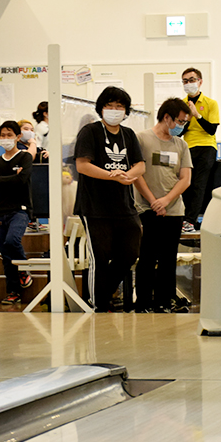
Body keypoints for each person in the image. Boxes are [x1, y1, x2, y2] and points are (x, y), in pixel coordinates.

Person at [74, 86, 145, 312]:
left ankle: (103, 293)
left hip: (124, 206)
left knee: (130, 253)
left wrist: (127, 176)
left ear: (126, 111)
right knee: (100, 257)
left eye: (119, 106)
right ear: (101, 108)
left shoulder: (128, 134)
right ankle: (99, 305)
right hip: (95, 206)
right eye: (109, 106)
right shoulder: (90, 131)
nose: (114, 110)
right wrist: (112, 175)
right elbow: (82, 165)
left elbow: (140, 165)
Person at [133, 98, 193, 313]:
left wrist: (166, 200)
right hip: (147, 208)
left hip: (174, 210)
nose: (182, 126)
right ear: (167, 117)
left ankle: (164, 302)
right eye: (180, 121)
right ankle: (143, 303)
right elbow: (137, 174)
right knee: (147, 256)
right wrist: (153, 201)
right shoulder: (141, 139)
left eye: (185, 122)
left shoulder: (181, 145)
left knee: (168, 258)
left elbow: (185, 179)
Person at [0, 121, 34, 306]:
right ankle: (13, 292)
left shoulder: (25, 157)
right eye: (3, 135)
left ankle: (23, 269)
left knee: (12, 240)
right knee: (6, 254)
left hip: (20, 209)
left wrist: (2, 180)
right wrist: (11, 178)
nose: (5, 138)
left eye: (9, 135)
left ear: (18, 137)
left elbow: (22, 180)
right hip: (2, 211)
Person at [179, 67, 220, 233]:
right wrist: (188, 119)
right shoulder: (181, 104)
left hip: (206, 147)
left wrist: (197, 115)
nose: (188, 83)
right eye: (185, 81)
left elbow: (211, 130)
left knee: (199, 184)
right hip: (187, 147)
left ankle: (190, 221)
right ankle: (183, 218)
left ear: (200, 82)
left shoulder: (211, 103)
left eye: (192, 80)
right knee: (185, 184)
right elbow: (179, 132)